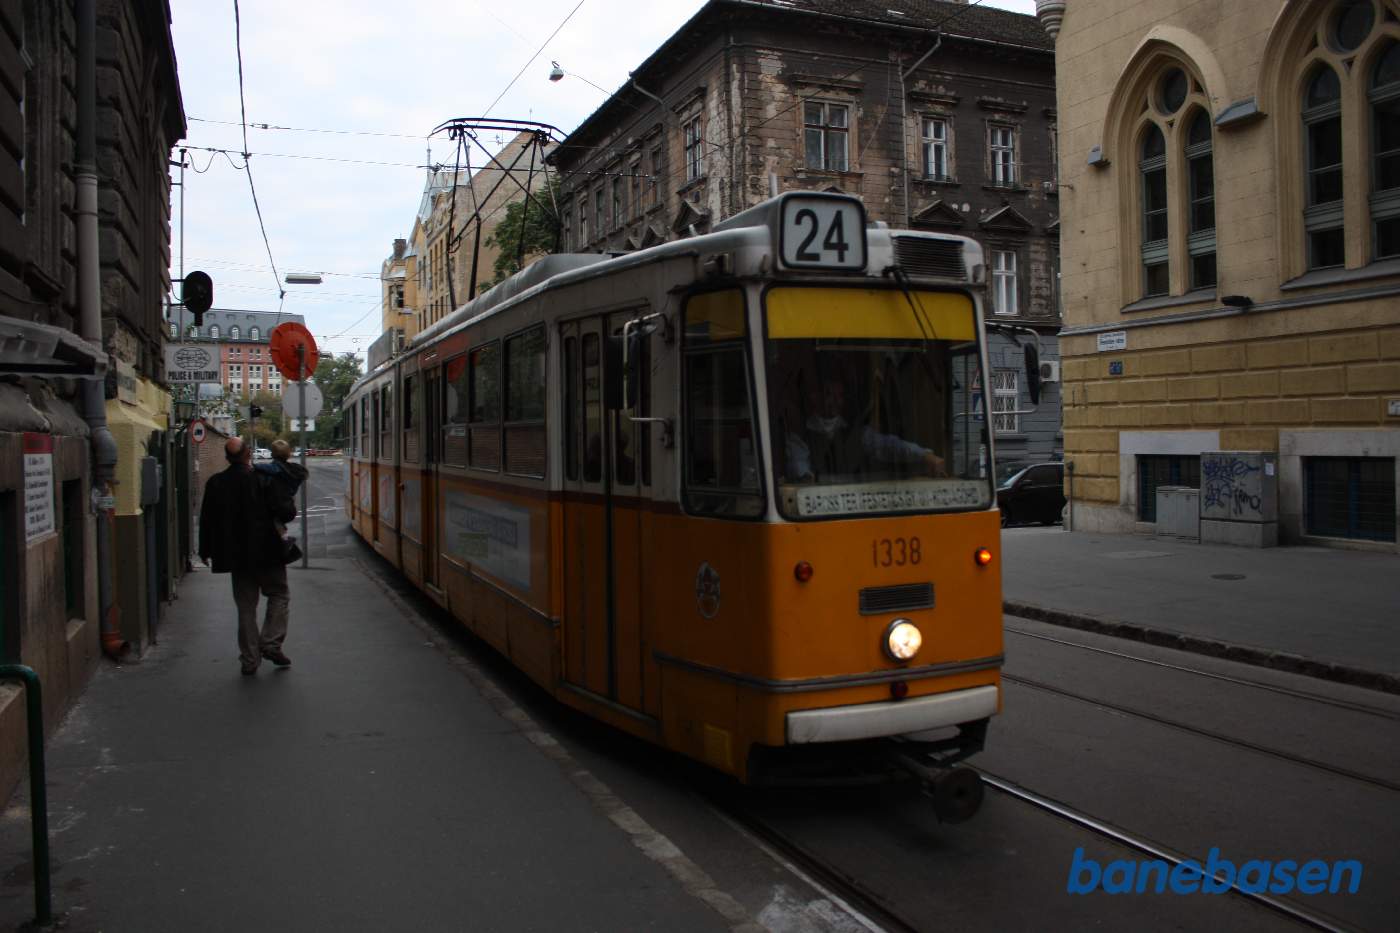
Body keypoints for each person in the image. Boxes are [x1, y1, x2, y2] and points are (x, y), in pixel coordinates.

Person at [199, 436, 296, 676]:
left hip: (237, 557)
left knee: (245, 607)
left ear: (227, 457)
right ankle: (271, 643)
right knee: (279, 594)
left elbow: (207, 520)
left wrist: (205, 550)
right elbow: (286, 512)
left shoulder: (216, 483)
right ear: (248, 454)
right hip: (268, 552)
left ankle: (250, 660)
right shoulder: (264, 479)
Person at [784, 377, 946, 482]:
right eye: (829, 395)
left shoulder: (857, 433)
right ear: (815, 397)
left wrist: (925, 455)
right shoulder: (799, 436)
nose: (835, 401)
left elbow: (888, 446)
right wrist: (806, 478)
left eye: (839, 396)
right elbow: (799, 468)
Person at [256, 439, 309, 536]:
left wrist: (254, 466)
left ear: (272, 454)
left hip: (271, 512)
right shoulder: (294, 472)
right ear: (288, 454)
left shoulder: (267, 472)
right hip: (288, 509)